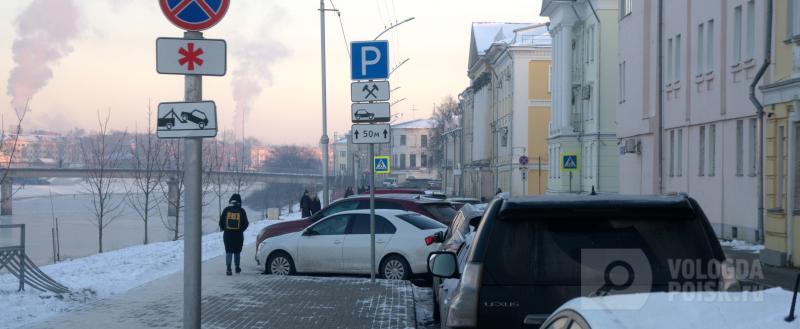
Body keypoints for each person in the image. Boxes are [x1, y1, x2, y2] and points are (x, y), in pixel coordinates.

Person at [219, 193, 249, 276]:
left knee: (228, 252)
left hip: (228, 235)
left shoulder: (226, 210)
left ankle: (228, 269)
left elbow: (221, 223)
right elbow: (246, 223)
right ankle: (237, 267)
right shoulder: (242, 211)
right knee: (237, 252)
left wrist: (226, 229)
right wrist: (240, 230)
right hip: (238, 235)